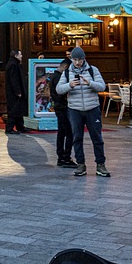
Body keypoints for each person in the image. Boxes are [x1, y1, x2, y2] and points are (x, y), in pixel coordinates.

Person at [54, 46, 110, 177]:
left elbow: (102, 86)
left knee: (97, 137)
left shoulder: (92, 70)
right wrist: (69, 85)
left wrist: (89, 82)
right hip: (74, 109)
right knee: (77, 138)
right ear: (72, 59)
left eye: (80, 59)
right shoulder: (67, 72)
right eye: (75, 60)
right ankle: (80, 164)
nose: (77, 62)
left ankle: (100, 164)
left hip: (92, 109)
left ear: (84, 59)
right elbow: (58, 89)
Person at [49, 57, 76, 167]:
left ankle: (61, 156)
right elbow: (60, 93)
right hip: (62, 107)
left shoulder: (54, 76)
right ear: (65, 67)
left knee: (61, 132)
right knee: (69, 133)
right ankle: (66, 157)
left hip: (59, 107)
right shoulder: (59, 77)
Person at [4, 49, 28, 134]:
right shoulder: (13, 65)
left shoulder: (15, 64)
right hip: (14, 93)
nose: (21, 56)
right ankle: (9, 128)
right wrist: (18, 91)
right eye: (20, 55)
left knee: (19, 110)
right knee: (14, 110)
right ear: (16, 55)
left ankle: (20, 126)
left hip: (15, 92)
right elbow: (14, 79)